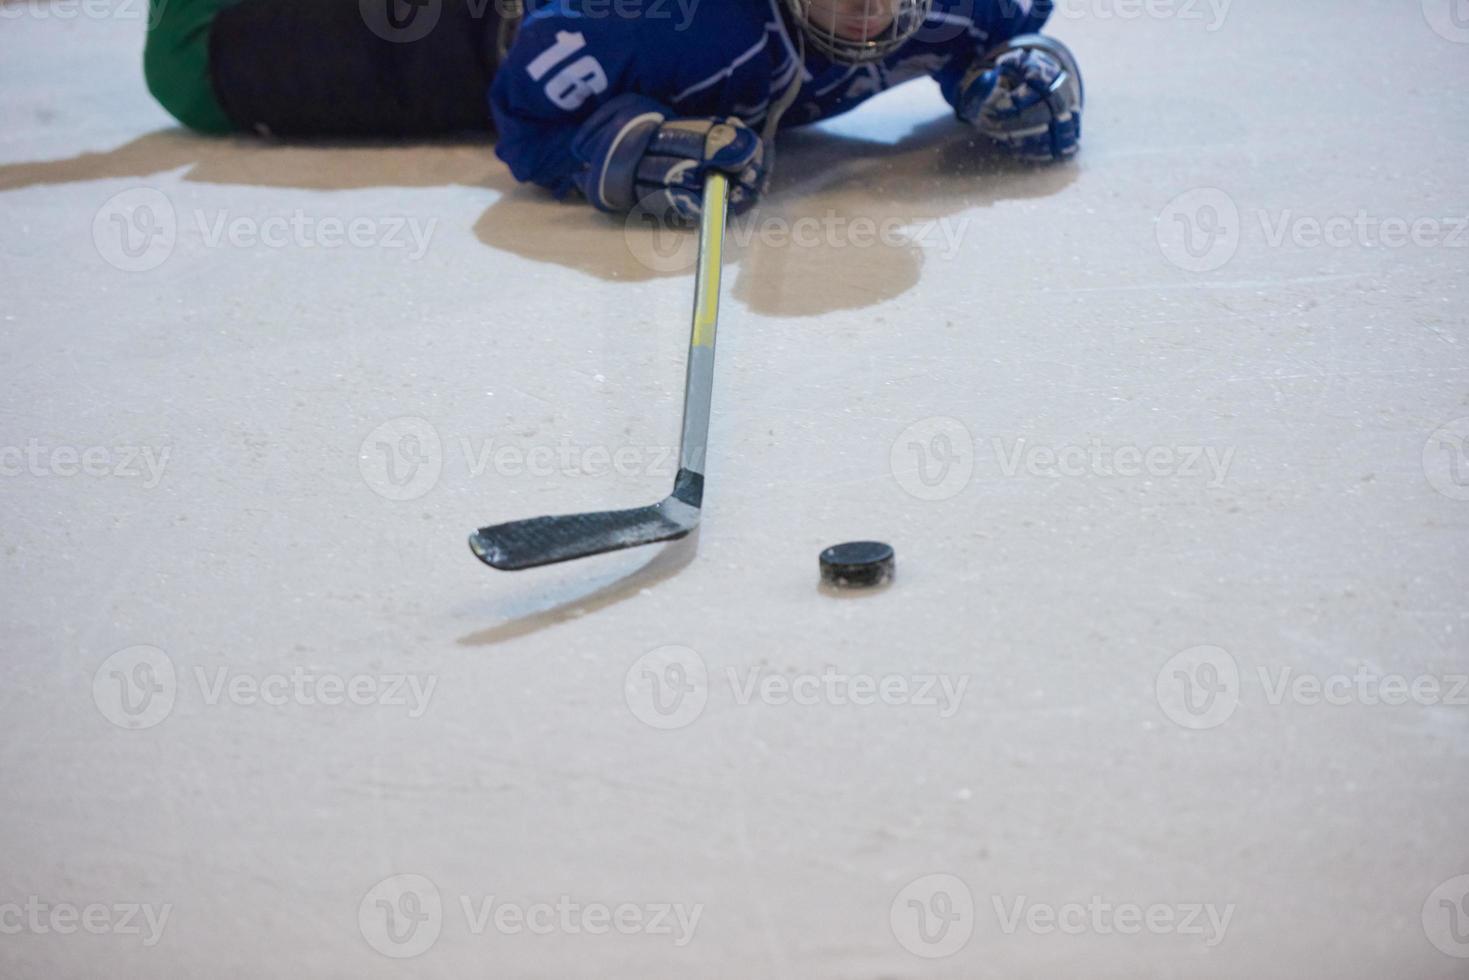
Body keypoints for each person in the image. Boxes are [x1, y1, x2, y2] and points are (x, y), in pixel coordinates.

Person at [145, 0, 1082, 218]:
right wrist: (624, 150)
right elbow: (524, 112)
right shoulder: (674, 23)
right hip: (474, 27)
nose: (872, 14)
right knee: (196, 68)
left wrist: (1002, 81)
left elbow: (992, 37)